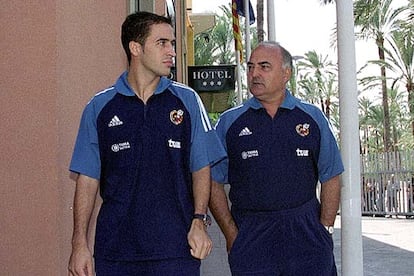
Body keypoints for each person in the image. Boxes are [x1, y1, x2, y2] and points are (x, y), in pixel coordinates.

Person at [68, 11, 225, 276]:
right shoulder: (99, 108)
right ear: (135, 48)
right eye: (162, 43)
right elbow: (87, 180)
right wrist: (79, 243)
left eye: (173, 44)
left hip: (176, 251)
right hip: (116, 253)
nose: (172, 52)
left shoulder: (187, 101)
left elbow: (201, 167)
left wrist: (199, 221)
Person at [210, 42, 344, 276]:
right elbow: (212, 181)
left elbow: (331, 175)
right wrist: (232, 233)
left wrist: (325, 228)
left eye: (264, 67)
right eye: (251, 67)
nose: (254, 74)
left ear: (286, 74)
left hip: (306, 235)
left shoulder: (312, 119)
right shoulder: (230, 123)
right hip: (252, 236)